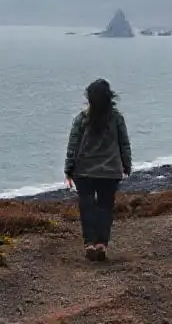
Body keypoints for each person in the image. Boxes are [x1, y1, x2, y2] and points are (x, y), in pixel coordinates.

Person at [64, 78, 132, 261]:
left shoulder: (81, 119)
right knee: (105, 206)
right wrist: (127, 165)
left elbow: (73, 145)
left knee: (87, 206)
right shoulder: (117, 118)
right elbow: (124, 143)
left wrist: (69, 168)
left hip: (84, 171)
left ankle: (90, 243)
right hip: (110, 171)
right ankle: (102, 244)